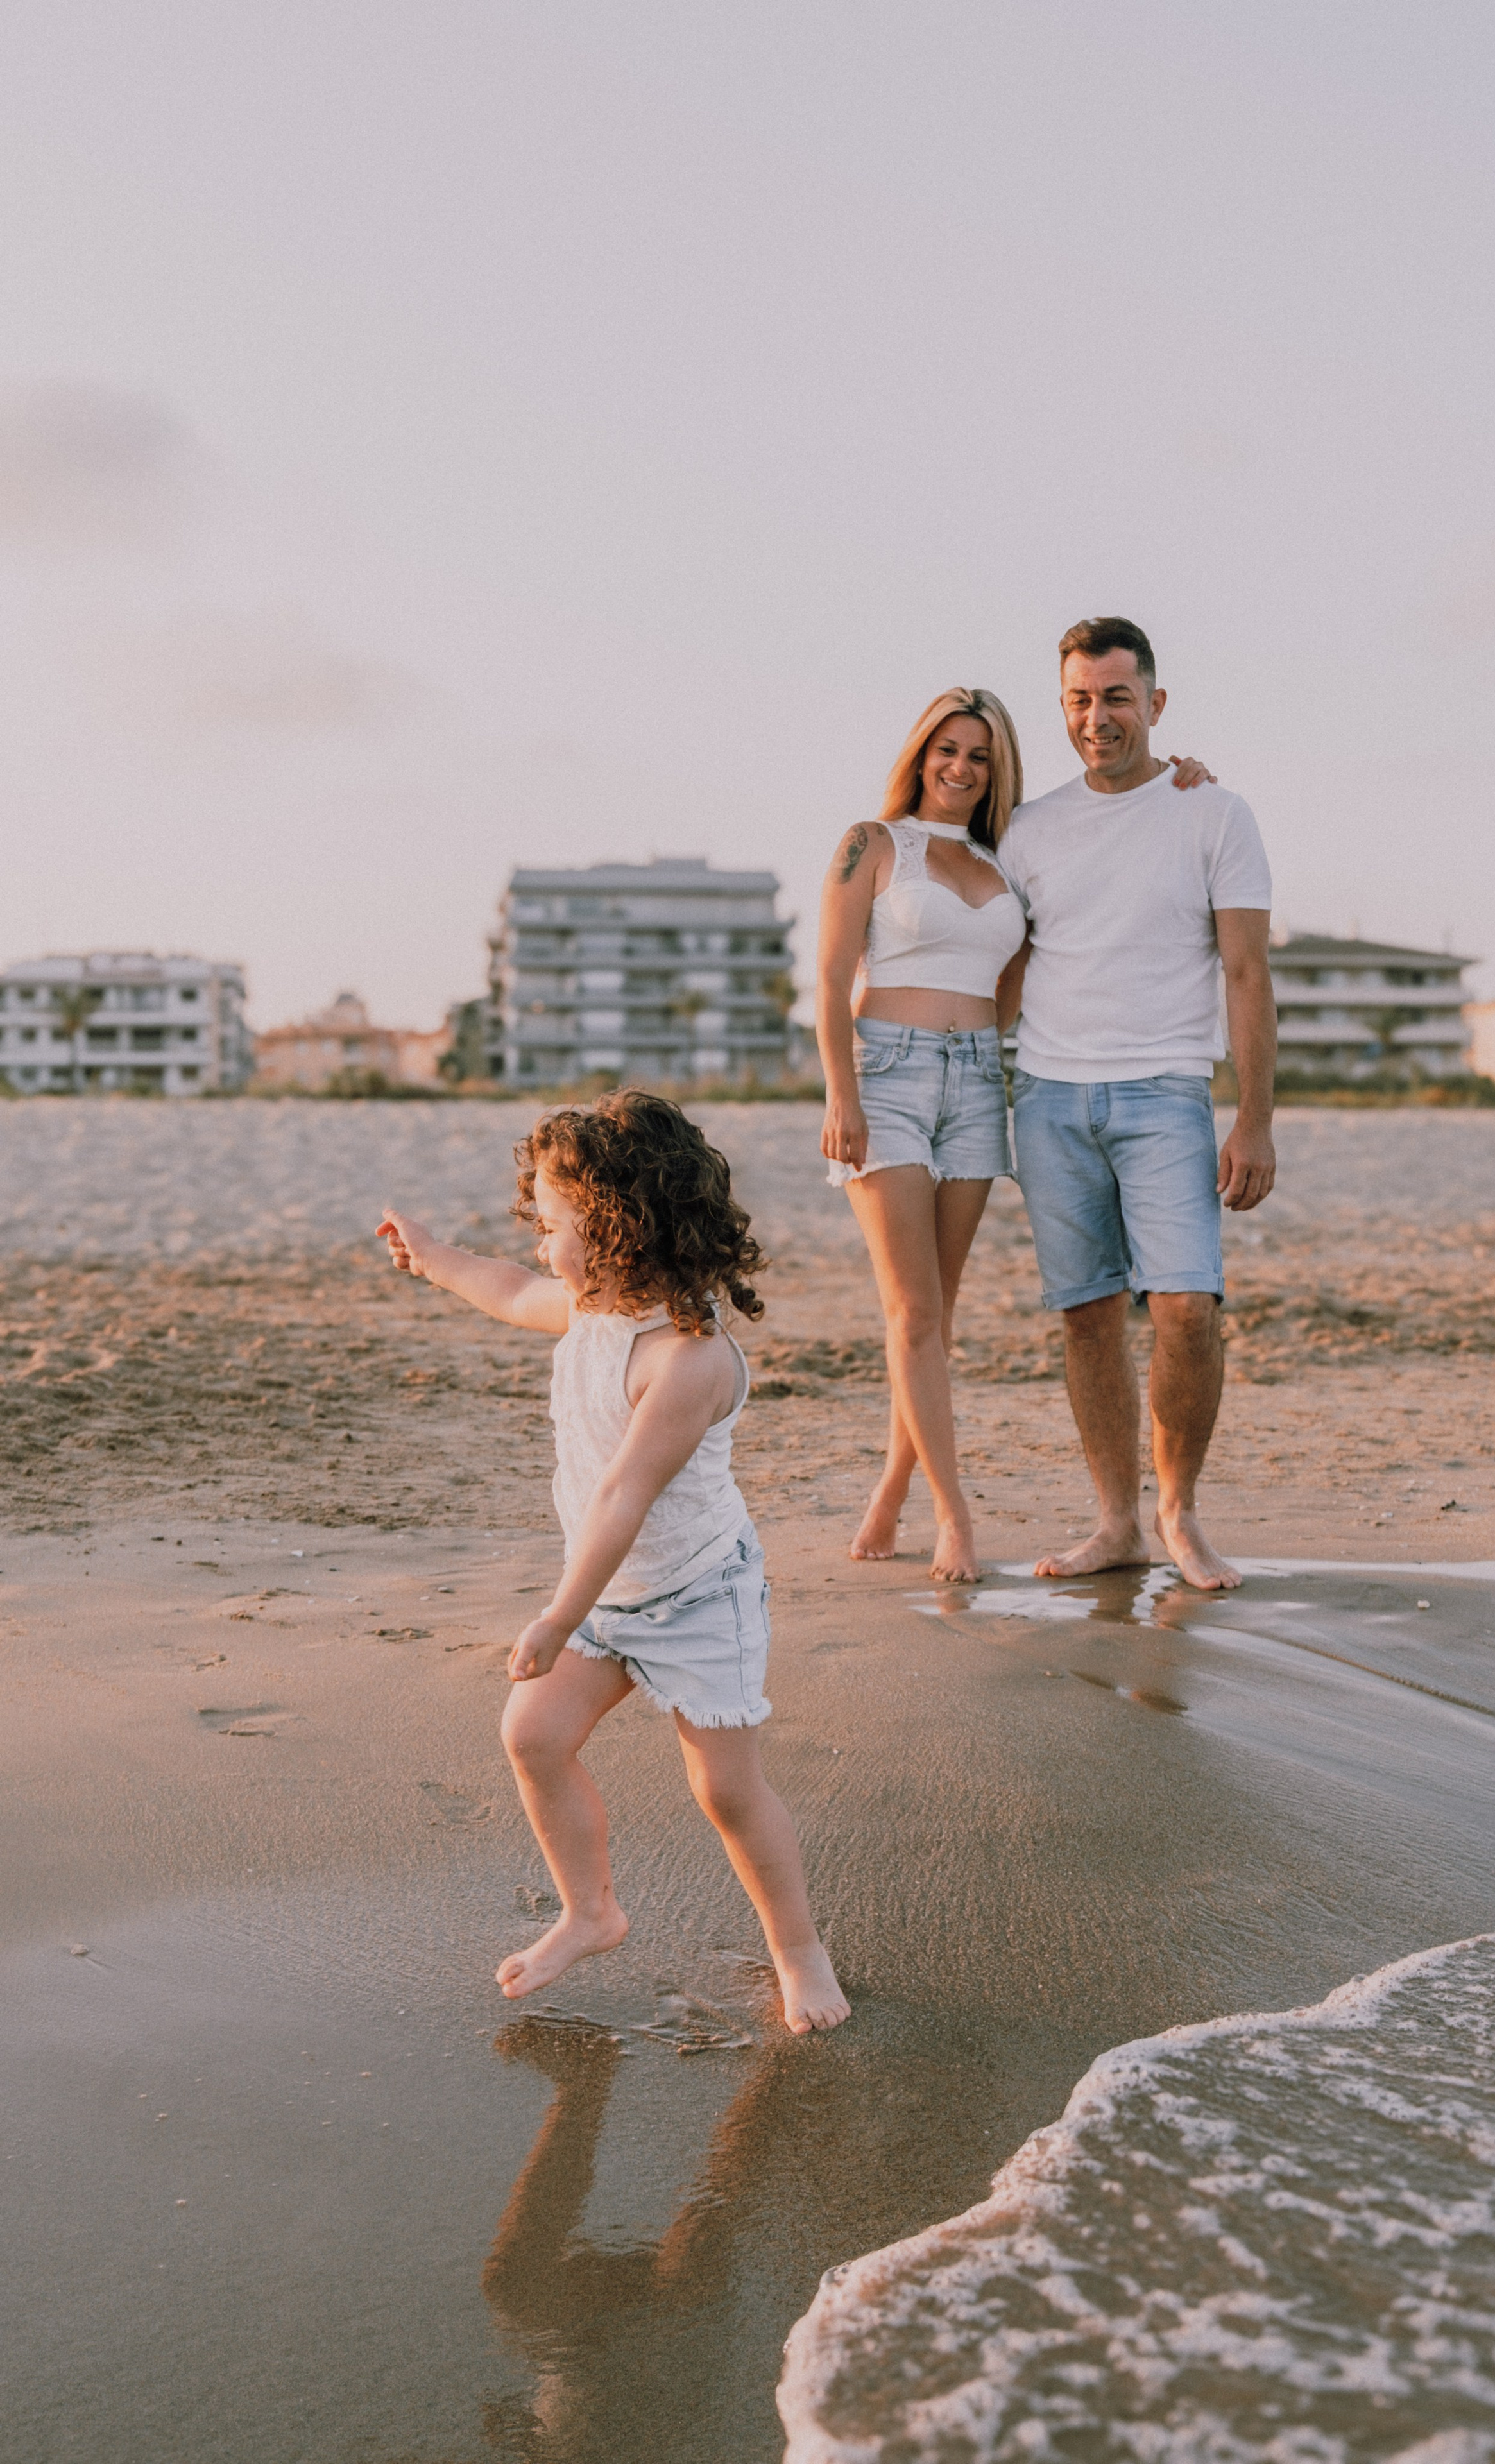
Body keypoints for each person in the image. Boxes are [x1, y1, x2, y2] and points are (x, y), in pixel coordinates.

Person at [375, 1091, 850, 2035]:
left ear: (619, 1230)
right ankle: (591, 1912)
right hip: (609, 1594)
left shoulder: (687, 1360)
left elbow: (622, 1501)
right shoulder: (589, 1305)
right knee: (535, 1737)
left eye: (554, 1228)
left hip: (697, 1594)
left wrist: (557, 1617)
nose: (542, 1247)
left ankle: (799, 1950)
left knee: (724, 1789)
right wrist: (432, 1259)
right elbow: (506, 1288)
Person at [816, 687, 1216, 1584]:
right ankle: (952, 1517)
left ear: (999, 770)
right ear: (920, 753)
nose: (959, 768)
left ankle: (889, 1488)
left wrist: (1182, 776)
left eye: (980, 756)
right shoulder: (872, 845)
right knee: (912, 1314)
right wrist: (842, 1095)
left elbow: (1027, 966)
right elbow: (833, 973)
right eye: (946, 750)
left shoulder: (1011, 857)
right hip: (889, 1077)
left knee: (934, 1320)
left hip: (980, 1080)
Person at [995, 616, 1277, 1594]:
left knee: (1188, 1308)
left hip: (1167, 1095)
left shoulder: (1214, 812)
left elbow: (1247, 973)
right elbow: (996, 954)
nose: (1097, 717)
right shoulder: (1028, 828)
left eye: (1117, 697)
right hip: (1048, 1097)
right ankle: (1116, 1523)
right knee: (1086, 1315)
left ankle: (1180, 1516)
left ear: (1155, 704)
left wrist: (1254, 1118)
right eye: (1079, 698)